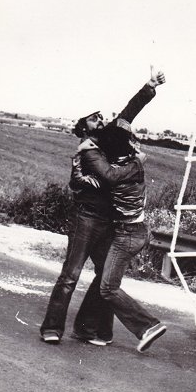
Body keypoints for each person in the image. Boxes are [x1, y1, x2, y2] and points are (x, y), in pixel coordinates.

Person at [40, 68, 165, 344]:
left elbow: (127, 113)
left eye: (100, 117)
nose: (101, 120)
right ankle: (52, 328)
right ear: (84, 128)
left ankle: (88, 328)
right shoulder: (88, 152)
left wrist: (149, 87)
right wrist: (136, 163)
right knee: (70, 276)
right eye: (94, 119)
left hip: (107, 221)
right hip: (85, 219)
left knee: (104, 278)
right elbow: (108, 177)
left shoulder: (106, 140)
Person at [74, 123, 167, 352]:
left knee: (107, 288)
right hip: (133, 232)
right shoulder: (132, 163)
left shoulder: (121, 171)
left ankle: (148, 326)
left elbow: (102, 177)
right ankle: (101, 332)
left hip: (128, 235)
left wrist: (78, 154)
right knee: (106, 282)